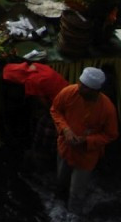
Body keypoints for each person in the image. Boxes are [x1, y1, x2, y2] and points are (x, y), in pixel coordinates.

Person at [51, 67, 118, 214]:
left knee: (77, 191)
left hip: (86, 155)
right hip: (65, 147)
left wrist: (87, 141)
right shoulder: (69, 92)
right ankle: (58, 203)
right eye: (80, 84)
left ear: (95, 91)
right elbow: (55, 110)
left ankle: (73, 214)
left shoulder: (107, 109)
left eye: (84, 87)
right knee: (61, 180)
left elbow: (111, 134)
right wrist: (66, 129)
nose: (79, 88)